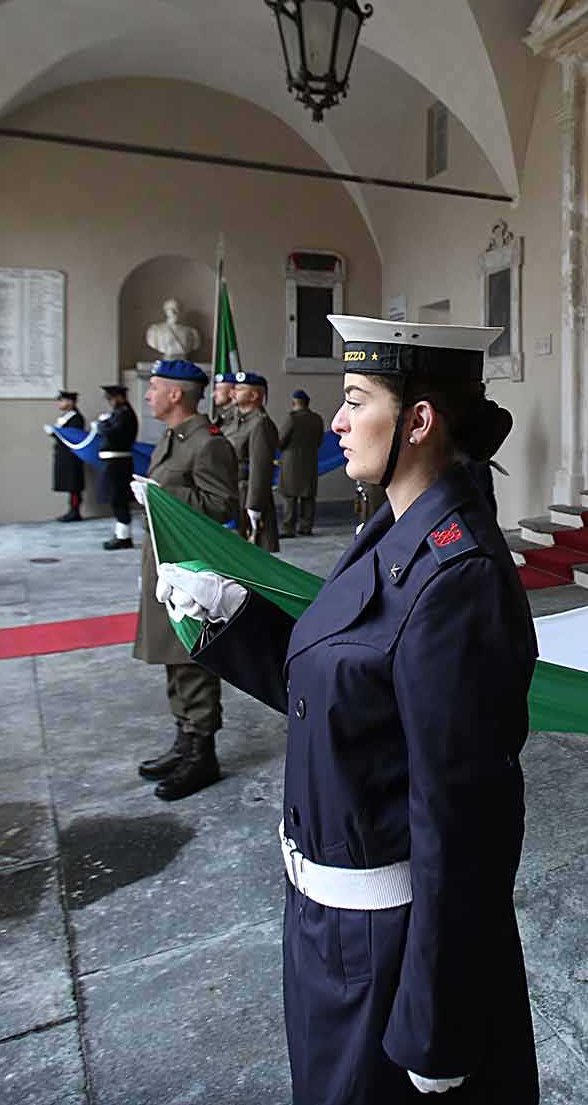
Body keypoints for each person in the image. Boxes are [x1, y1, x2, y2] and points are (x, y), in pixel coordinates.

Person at [153, 315, 538, 1102]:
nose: (335, 420)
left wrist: (438, 1019)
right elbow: (348, 695)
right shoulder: (388, 527)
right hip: (326, 927)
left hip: (386, 952)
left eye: (356, 398)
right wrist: (232, 624)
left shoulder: (455, 575)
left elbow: (463, 820)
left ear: (419, 422)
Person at [131, 357, 241, 801]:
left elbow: (220, 505)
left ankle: (203, 752)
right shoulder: (174, 438)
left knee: (189, 654)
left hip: (189, 566)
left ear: (177, 394)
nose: (148, 394)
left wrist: (161, 494)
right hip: (164, 559)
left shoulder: (206, 443)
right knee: (171, 655)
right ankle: (184, 737)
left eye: (154, 387)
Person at [231, 371, 281, 552]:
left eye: (240, 389)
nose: (233, 392)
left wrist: (254, 505)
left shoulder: (260, 424)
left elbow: (260, 468)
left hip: (247, 493)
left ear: (254, 395)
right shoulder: (240, 421)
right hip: (235, 490)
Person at [95, 383, 140, 550]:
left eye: (111, 398)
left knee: (118, 499)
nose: (110, 401)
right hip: (113, 462)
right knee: (116, 499)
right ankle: (121, 533)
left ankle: (124, 537)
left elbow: (113, 433)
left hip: (118, 463)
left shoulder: (125, 414)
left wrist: (101, 425)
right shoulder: (119, 413)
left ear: (120, 397)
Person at [279, 388, 329, 537]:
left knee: (289, 496)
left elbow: (281, 440)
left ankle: (289, 528)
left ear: (294, 403)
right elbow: (320, 441)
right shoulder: (317, 419)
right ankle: (306, 527)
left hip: (291, 463)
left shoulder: (292, 418)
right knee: (308, 496)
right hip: (310, 461)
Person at [44, 390, 87, 521]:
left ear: (70, 402)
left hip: (71, 456)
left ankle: (75, 511)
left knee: (73, 485)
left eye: (62, 400)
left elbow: (73, 436)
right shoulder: (66, 416)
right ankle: (71, 510)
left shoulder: (75, 418)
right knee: (70, 485)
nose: (60, 403)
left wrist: (56, 432)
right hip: (65, 455)